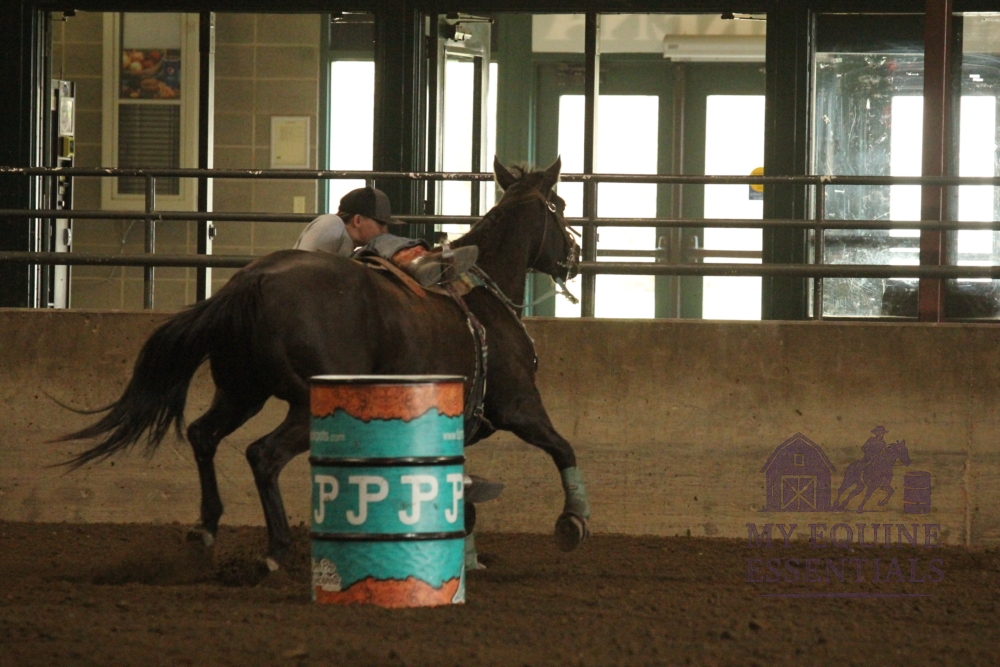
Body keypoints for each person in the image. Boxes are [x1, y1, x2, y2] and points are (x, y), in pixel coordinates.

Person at [294, 186, 477, 287]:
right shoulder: (331, 223)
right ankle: (419, 261)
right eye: (380, 224)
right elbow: (302, 267)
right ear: (357, 220)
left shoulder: (347, 243)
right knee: (381, 241)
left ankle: (423, 260)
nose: (385, 230)